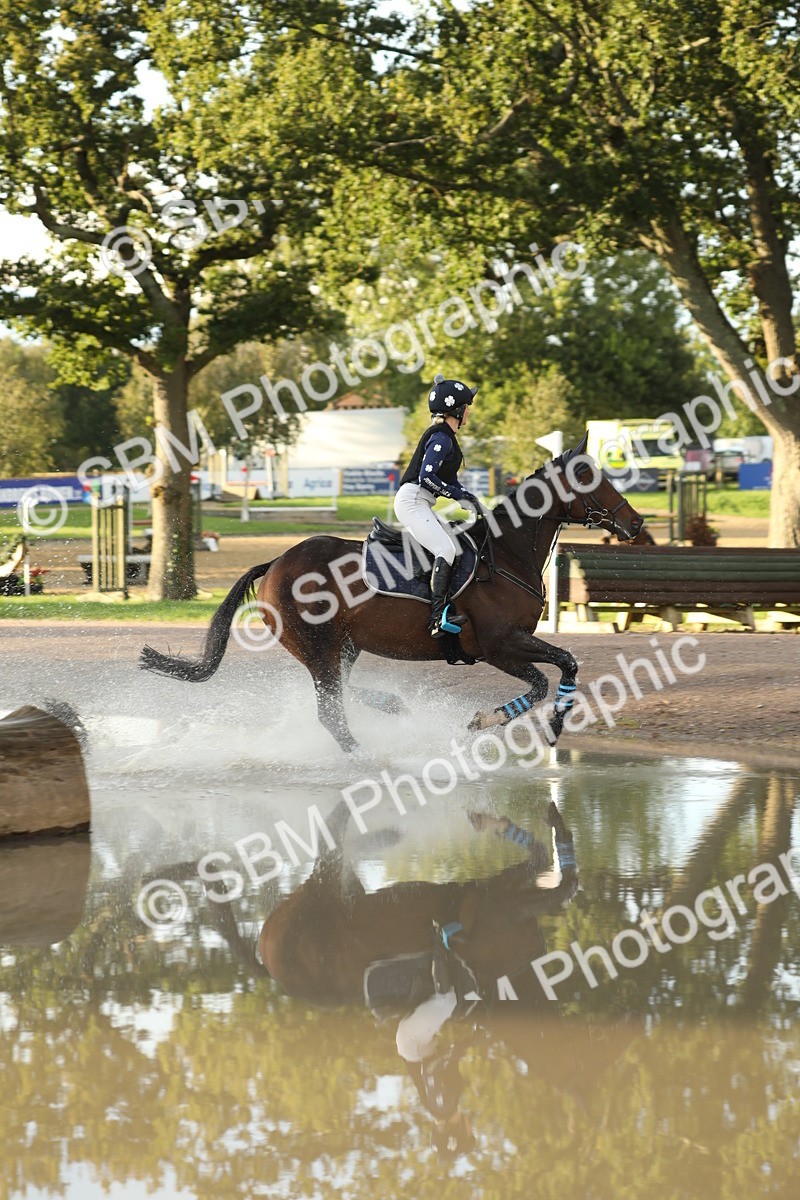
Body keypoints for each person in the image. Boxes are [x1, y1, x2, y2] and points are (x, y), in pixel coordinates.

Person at [394, 374, 480, 637]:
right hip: (412, 501)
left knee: (453, 547)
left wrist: (469, 498)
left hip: (420, 500)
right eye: (467, 408)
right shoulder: (442, 438)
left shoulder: (447, 437)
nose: (468, 413)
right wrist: (457, 496)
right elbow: (427, 478)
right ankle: (436, 619)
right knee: (444, 547)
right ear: (458, 410)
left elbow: (449, 480)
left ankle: (444, 609)